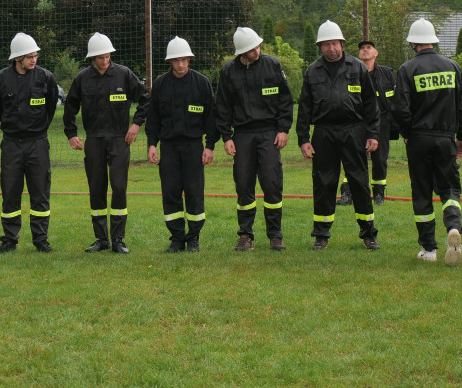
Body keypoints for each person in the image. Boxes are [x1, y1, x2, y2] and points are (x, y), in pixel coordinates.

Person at [297, 20, 380, 251]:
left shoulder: (357, 67)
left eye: (334, 43)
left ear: (342, 43)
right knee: (323, 183)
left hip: (354, 131)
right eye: (325, 44)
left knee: (359, 182)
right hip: (323, 133)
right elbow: (304, 108)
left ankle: (369, 234)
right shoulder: (313, 71)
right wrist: (303, 139)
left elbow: (371, 105)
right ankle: (321, 235)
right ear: (320, 47)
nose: (331, 48)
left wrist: (372, 133)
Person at [63, 32, 150, 253]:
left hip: (120, 139)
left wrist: (136, 124)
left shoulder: (124, 75)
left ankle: (118, 239)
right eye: (100, 57)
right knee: (96, 187)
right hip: (94, 140)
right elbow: (70, 108)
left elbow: (145, 98)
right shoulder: (82, 78)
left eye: (108, 56)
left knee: (119, 187)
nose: (105, 60)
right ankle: (101, 239)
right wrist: (71, 134)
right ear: (92, 57)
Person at [394, 18, 462, 266]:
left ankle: (429, 249)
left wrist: (407, 132)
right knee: (449, 189)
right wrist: (461, 137)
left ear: (413, 42)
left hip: (418, 139)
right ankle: (453, 226)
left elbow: (401, 109)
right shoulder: (453, 67)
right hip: (446, 138)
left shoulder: (407, 69)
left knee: (422, 192)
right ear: (434, 40)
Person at [215, 26, 294, 251]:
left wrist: (283, 129)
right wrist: (226, 137)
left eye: (258, 46)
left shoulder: (272, 65)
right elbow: (222, 107)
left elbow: (285, 100)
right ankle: (245, 235)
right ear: (241, 52)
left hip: (269, 133)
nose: (256, 51)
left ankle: (275, 235)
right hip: (242, 135)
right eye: (251, 49)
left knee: (272, 183)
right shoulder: (228, 72)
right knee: (243, 184)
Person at [146, 37, 219, 253]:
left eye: (185, 59)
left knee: (195, 192)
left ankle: (193, 238)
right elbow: (153, 119)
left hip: (194, 147)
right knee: (170, 192)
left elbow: (211, 118)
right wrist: (152, 144)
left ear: (189, 59)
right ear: (170, 61)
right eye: (177, 60)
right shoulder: (160, 84)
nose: (181, 64)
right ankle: (177, 238)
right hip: (168, 147)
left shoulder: (201, 83)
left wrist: (210, 146)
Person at [0, 33, 59, 255]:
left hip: (37, 142)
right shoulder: (0, 79)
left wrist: (37, 130)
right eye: (29, 56)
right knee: (10, 191)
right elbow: (0, 108)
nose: (34, 59)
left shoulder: (46, 78)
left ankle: (40, 239)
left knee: (40, 191)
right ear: (17, 58)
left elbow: (50, 109)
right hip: (11, 144)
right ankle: (9, 239)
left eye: (35, 55)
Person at [358, 39, 400, 205]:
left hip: (382, 121)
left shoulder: (387, 74)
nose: (365, 50)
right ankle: (350, 192)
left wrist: (395, 121)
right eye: (362, 48)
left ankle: (379, 194)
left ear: (376, 53)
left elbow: (396, 99)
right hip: (359, 122)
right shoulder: (354, 72)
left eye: (369, 48)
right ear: (360, 55)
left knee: (380, 159)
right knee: (355, 156)